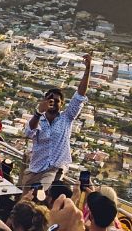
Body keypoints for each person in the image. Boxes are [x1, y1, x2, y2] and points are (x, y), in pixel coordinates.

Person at [22, 53, 92, 187]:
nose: (53, 102)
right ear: (44, 101)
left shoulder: (67, 117)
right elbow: (28, 133)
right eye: (50, 99)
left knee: (40, 191)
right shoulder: (38, 119)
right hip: (36, 167)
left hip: (55, 168)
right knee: (24, 201)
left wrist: (87, 69)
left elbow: (80, 95)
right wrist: (38, 112)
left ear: (62, 104)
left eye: (57, 101)